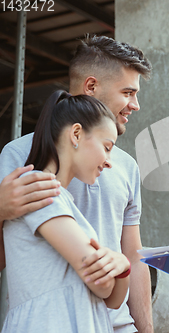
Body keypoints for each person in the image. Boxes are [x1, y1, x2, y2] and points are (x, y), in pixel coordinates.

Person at [0, 36, 153, 333]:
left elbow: (132, 256)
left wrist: (145, 330)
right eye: (128, 92)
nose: (135, 104)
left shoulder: (127, 167)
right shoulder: (22, 159)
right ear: (92, 86)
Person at [2, 90, 130, 332]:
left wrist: (122, 266)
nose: (109, 161)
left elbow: (113, 300)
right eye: (107, 147)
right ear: (77, 133)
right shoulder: (39, 188)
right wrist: (114, 264)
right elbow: (101, 284)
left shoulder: (61, 199)